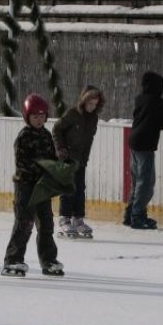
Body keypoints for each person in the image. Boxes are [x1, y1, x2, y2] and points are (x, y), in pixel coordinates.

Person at [2, 94, 65, 277]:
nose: (39, 119)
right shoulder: (23, 136)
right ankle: (12, 260)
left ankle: (48, 260)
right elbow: (22, 163)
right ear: (27, 117)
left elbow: (52, 160)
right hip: (26, 186)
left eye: (42, 116)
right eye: (35, 116)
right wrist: (42, 170)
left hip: (43, 188)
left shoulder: (46, 135)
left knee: (46, 225)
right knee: (25, 223)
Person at [123, 71, 163, 229]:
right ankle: (138, 216)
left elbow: (151, 119)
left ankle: (129, 214)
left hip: (134, 142)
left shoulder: (139, 99)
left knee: (137, 181)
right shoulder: (157, 102)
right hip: (145, 144)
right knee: (146, 183)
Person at [52, 85, 105, 238]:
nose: (92, 107)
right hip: (67, 157)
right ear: (83, 101)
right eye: (90, 103)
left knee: (80, 188)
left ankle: (78, 218)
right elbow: (57, 129)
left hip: (81, 160)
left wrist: (85, 158)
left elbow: (89, 139)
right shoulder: (72, 114)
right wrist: (61, 148)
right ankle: (64, 218)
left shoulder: (93, 118)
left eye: (95, 104)